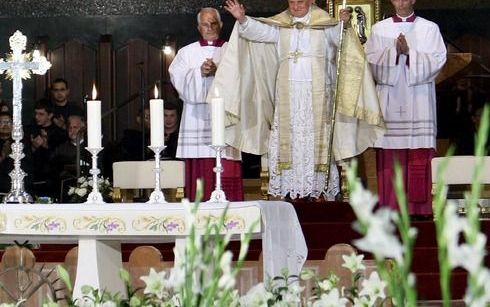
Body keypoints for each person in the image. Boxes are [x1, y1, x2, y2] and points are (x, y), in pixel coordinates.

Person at [220, 0, 384, 200]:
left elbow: (340, 40)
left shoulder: (324, 24)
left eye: (300, 1)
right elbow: (258, 32)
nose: (295, 5)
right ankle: (290, 191)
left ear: (311, 1)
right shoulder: (281, 26)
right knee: (289, 140)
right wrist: (242, 18)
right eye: (292, 1)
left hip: (317, 96)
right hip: (287, 94)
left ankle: (318, 191)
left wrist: (343, 24)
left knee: (316, 140)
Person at [364, 0, 447, 215]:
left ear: (413, 0)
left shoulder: (429, 28)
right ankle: (390, 207)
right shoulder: (379, 29)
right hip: (390, 100)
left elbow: (439, 59)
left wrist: (410, 54)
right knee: (390, 156)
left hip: (418, 101)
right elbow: (370, 61)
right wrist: (393, 51)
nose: (400, 2)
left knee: (417, 156)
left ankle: (418, 209)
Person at [169, 7, 244, 201]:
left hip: (226, 118)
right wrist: (199, 72)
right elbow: (178, 80)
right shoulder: (186, 52)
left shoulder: (231, 50)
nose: (209, 27)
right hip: (197, 119)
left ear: (220, 25)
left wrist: (218, 71)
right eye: (205, 23)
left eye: (213, 23)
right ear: (198, 27)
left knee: (226, 163)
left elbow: (243, 79)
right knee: (200, 167)